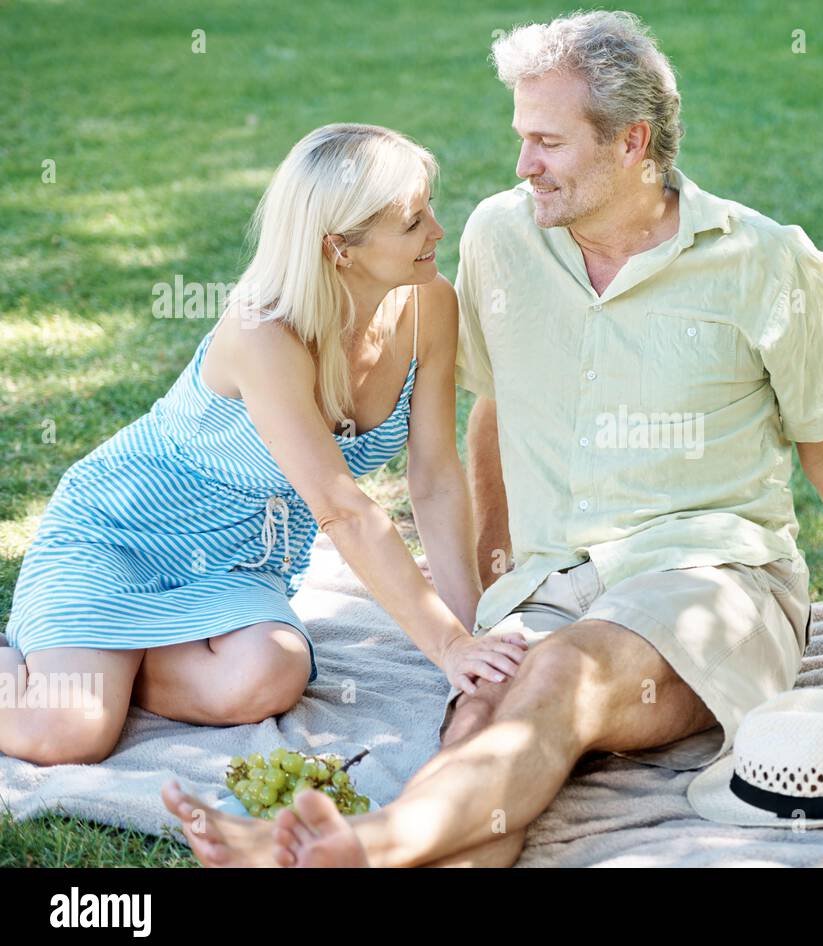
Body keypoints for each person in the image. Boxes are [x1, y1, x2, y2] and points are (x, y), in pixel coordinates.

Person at [162, 11, 823, 867]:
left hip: (711, 580)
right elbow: (492, 414)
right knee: (479, 710)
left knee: (560, 676)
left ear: (631, 142)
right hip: (553, 576)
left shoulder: (766, 261)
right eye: (522, 137)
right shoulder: (500, 238)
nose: (523, 164)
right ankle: (367, 855)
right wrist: (486, 593)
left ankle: (359, 843)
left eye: (548, 143)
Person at [1, 123, 527, 768]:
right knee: (67, 736)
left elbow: (436, 480)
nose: (438, 232)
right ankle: (62, 657)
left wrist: (473, 634)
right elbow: (341, 509)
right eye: (414, 221)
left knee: (270, 676)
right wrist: (445, 649)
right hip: (117, 538)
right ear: (341, 248)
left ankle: (107, 659)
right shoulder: (263, 331)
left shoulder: (429, 303)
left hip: (234, 566)